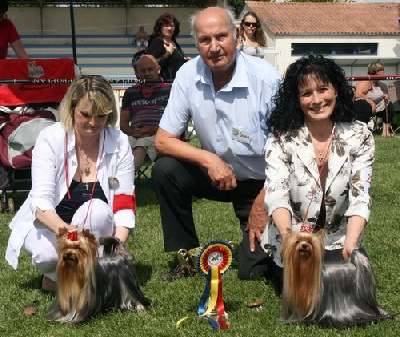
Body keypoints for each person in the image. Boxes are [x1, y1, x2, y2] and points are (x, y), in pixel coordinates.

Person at [151, 7, 281, 281]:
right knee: (165, 169)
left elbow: (289, 153)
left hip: (262, 184)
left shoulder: (267, 80)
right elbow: (162, 141)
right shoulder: (187, 74)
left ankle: (256, 245)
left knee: (253, 272)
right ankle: (186, 255)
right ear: (196, 43)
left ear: (236, 35)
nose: (214, 47)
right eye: (205, 40)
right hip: (216, 175)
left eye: (221, 37)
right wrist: (209, 160)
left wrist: (263, 203)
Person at [6, 75, 136, 291]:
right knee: (46, 255)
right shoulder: (50, 138)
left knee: (99, 210)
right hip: (52, 224)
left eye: (101, 116)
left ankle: (89, 272)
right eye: (85, 114)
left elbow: (123, 201)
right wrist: (73, 239)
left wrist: (117, 247)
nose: (93, 123)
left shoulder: (120, 142)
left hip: (96, 226)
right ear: (71, 108)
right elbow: (42, 206)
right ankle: (55, 274)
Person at [260, 55, 375, 289]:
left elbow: (361, 194)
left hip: (336, 238)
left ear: (337, 92)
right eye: (306, 93)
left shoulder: (360, 135)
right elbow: (276, 193)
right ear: (296, 99)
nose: (316, 100)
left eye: (323, 89)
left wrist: (351, 245)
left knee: (337, 284)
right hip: (293, 236)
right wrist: (289, 240)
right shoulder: (281, 139)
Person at [120, 54, 171, 171]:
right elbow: (123, 124)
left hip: (160, 135)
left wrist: (152, 130)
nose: (147, 74)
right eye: (143, 71)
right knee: (120, 146)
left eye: (150, 69)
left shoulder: (170, 90)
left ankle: (122, 182)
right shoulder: (130, 92)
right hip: (134, 134)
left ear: (158, 69)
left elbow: (176, 123)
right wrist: (133, 132)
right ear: (137, 73)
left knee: (141, 145)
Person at [355, 62, 396, 137]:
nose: (384, 72)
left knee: (389, 106)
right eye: (383, 70)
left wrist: (386, 96)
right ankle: (362, 132)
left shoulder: (382, 85)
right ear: (378, 72)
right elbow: (357, 94)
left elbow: (384, 96)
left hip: (378, 106)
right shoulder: (365, 80)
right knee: (363, 105)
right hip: (365, 105)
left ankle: (386, 132)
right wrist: (371, 102)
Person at [146, 12, 189, 81]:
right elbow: (151, 64)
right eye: (166, 25)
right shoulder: (156, 42)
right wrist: (168, 53)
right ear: (160, 27)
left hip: (176, 82)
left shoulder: (174, 42)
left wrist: (186, 61)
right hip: (163, 84)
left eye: (172, 26)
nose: (169, 28)